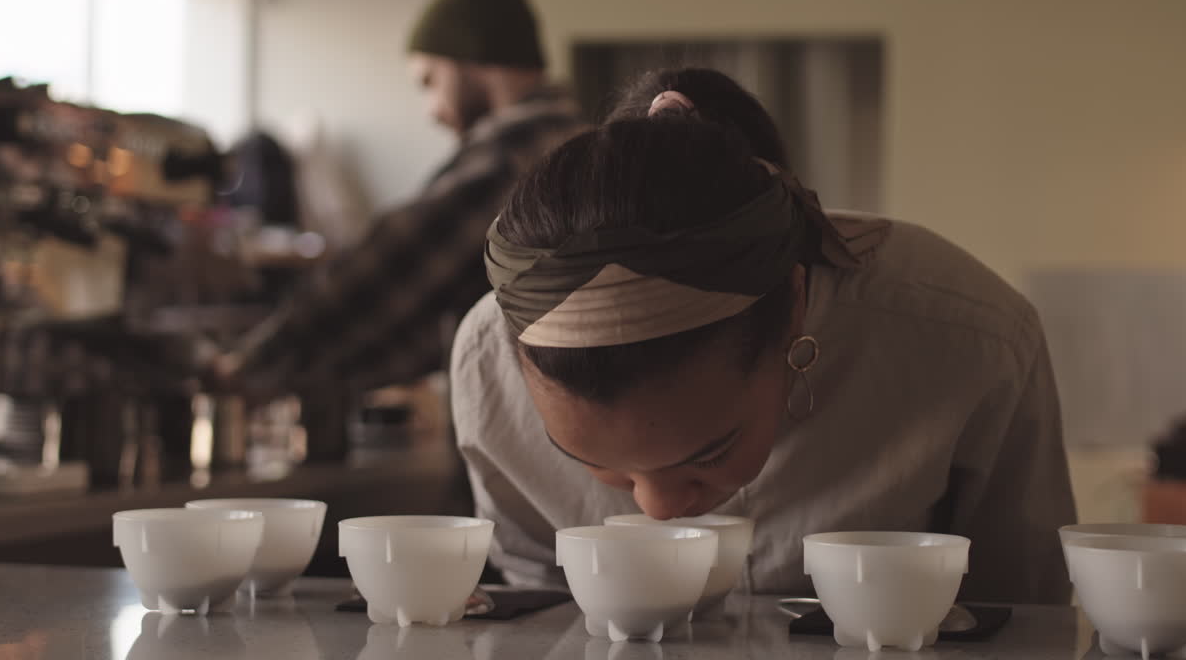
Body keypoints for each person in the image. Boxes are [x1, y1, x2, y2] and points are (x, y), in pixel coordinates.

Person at [451, 67, 1077, 604]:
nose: (657, 508)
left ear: (795, 308)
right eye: (589, 461)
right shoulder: (489, 363)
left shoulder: (968, 336)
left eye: (711, 452)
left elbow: (1020, 613)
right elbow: (542, 609)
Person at [216, 0, 585, 396]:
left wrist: (250, 364)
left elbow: (385, 273)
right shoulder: (568, 138)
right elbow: (433, 325)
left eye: (429, 81)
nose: (431, 110)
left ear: (472, 59)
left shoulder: (519, 153)